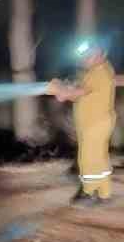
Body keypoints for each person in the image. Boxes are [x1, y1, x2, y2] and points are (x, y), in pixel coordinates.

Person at [47, 39, 119, 204]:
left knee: (88, 158)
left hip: (96, 123)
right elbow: (82, 91)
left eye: (88, 55)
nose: (84, 59)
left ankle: (89, 191)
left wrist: (63, 93)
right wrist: (64, 89)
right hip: (96, 123)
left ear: (100, 54)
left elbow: (80, 92)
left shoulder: (100, 73)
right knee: (98, 157)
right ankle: (104, 192)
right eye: (83, 56)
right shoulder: (95, 71)